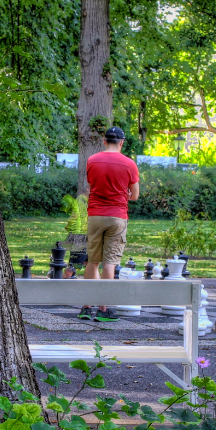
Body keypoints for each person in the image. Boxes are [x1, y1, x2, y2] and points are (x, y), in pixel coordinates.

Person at [78, 126, 139, 322]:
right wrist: (125, 194)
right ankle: (103, 309)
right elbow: (135, 195)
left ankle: (86, 307)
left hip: (95, 215)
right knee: (110, 262)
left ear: (104, 141)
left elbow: (91, 185)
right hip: (117, 216)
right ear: (121, 143)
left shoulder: (92, 160)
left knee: (93, 261)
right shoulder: (129, 164)